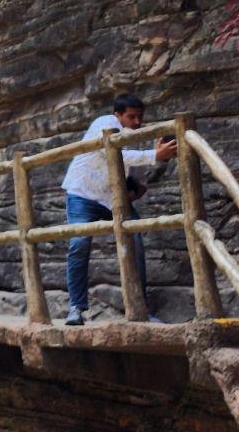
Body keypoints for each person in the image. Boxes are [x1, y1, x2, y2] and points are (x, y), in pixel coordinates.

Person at [62, 94, 177, 326]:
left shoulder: (129, 134)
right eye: (131, 116)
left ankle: (139, 309)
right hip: (83, 194)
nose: (136, 122)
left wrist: (132, 186)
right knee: (79, 244)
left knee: (135, 239)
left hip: (112, 198)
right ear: (117, 115)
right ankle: (75, 308)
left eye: (140, 117)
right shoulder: (105, 124)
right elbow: (112, 154)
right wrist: (155, 155)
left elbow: (117, 167)